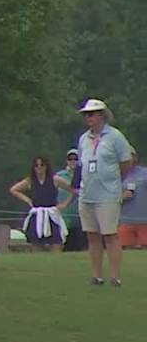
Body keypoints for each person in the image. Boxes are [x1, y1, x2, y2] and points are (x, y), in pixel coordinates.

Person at [76, 98, 133, 286]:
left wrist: (114, 179)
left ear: (101, 115)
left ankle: (115, 276)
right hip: (87, 193)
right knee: (92, 235)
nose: (88, 118)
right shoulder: (84, 138)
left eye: (91, 114)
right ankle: (96, 275)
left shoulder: (115, 136)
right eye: (86, 115)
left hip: (108, 193)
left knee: (110, 235)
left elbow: (126, 161)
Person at [9, 155, 68, 252]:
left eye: (42, 165)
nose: (39, 167)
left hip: (51, 214)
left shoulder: (55, 179)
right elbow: (14, 190)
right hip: (37, 214)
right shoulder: (30, 180)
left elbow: (72, 190)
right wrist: (27, 200)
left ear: (46, 166)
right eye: (36, 165)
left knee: (57, 243)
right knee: (36, 245)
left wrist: (64, 204)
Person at [57, 149, 86, 253]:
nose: (73, 161)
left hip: (82, 218)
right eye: (70, 159)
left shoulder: (85, 175)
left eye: (75, 158)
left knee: (81, 249)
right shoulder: (60, 176)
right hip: (64, 218)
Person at [119, 158, 147, 249]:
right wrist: (121, 197)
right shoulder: (115, 175)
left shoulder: (144, 173)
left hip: (144, 220)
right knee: (126, 251)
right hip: (124, 220)